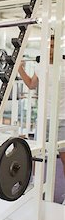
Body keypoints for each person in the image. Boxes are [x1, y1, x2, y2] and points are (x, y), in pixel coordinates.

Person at [18, 36, 65, 199]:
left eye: (54, 46)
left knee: (64, 157)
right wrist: (19, 69)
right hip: (43, 118)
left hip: (62, 118)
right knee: (36, 154)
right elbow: (31, 84)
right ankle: (33, 185)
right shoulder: (41, 66)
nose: (51, 49)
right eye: (49, 46)